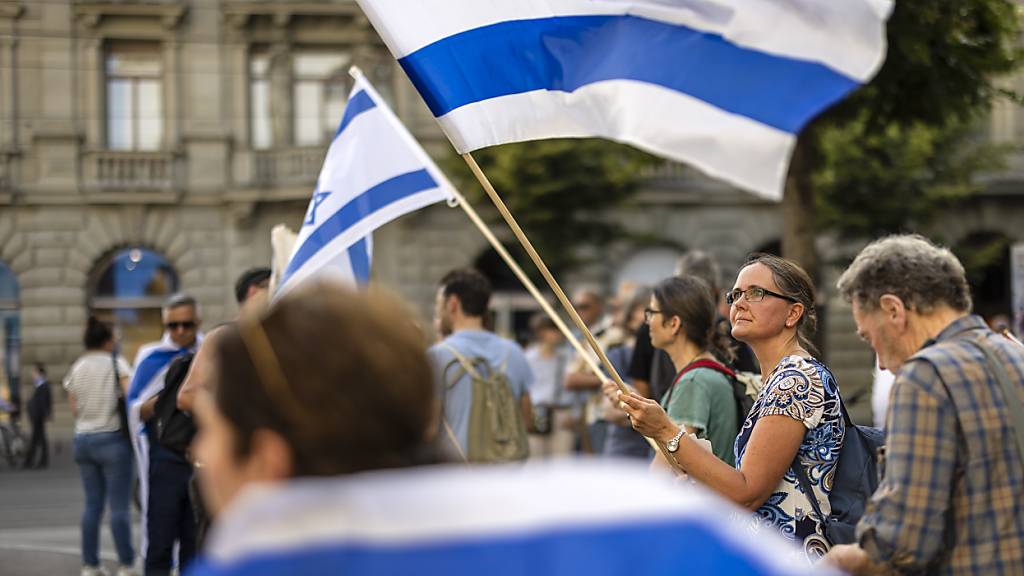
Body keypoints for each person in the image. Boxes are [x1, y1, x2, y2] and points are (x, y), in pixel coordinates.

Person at [186, 280, 828, 576]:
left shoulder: (260, 558)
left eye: (208, 427)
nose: (195, 450)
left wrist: (665, 433)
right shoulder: (641, 522)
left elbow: (745, 486)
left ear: (266, 459)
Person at [620, 254, 845, 561]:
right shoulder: (777, 378)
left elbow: (747, 492)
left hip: (791, 557)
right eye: (736, 294)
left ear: (793, 313)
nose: (739, 303)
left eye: (756, 293)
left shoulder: (795, 378)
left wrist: (665, 430)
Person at [826, 235, 1024, 575]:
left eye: (870, 338)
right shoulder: (1016, 354)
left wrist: (837, 559)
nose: (883, 364)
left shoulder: (925, 377)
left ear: (893, 310)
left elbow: (901, 545)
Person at [615, 276, 738, 464]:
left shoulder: (693, 382)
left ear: (673, 323)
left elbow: (664, 471)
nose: (647, 322)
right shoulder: (704, 373)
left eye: (652, 313)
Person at [127, 294, 202, 572]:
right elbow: (135, 408)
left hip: (200, 456)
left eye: (187, 324)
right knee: (160, 536)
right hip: (165, 455)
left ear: (198, 322)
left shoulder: (210, 350)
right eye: (173, 326)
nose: (180, 331)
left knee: (196, 541)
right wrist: (169, 398)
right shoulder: (151, 357)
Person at [429, 269, 532, 462]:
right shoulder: (514, 352)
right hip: (506, 472)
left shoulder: (437, 356)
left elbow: (430, 426)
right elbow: (527, 420)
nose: (437, 312)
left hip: (457, 473)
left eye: (438, 305)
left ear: (452, 304)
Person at [63, 317, 136, 576]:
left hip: (83, 439)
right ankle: (127, 563)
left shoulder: (78, 367)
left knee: (92, 505)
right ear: (108, 340)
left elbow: (74, 407)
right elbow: (131, 397)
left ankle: (90, 564)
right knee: (119, 507)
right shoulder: (117, 364)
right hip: (113, 439)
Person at [600, 287, 654, 459]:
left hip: (658, 451)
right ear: (630, 316)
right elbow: (609, 411)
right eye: (646, 309)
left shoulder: (665, 355)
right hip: (625, 449)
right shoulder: (618, 355)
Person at [524, 314, 574, 458]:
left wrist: (575, 415)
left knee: (561, 462)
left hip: (561, 412)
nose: (557, 334)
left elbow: (575, 390)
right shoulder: (528, 357)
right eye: (552, 330)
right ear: (541, 332)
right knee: (535, 461)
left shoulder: (567, 356)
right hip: (537, 412)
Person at [23, 362, 53, 469]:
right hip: (37, 415)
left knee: (36, 439)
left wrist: (47, 414)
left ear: (39, 373)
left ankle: (30, 461)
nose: (32, 374)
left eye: (34, 372)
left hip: (38, 416)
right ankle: (40, 461)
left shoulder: (43, 385)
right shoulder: (39, 384)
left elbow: (45, 402)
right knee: (40, 439)